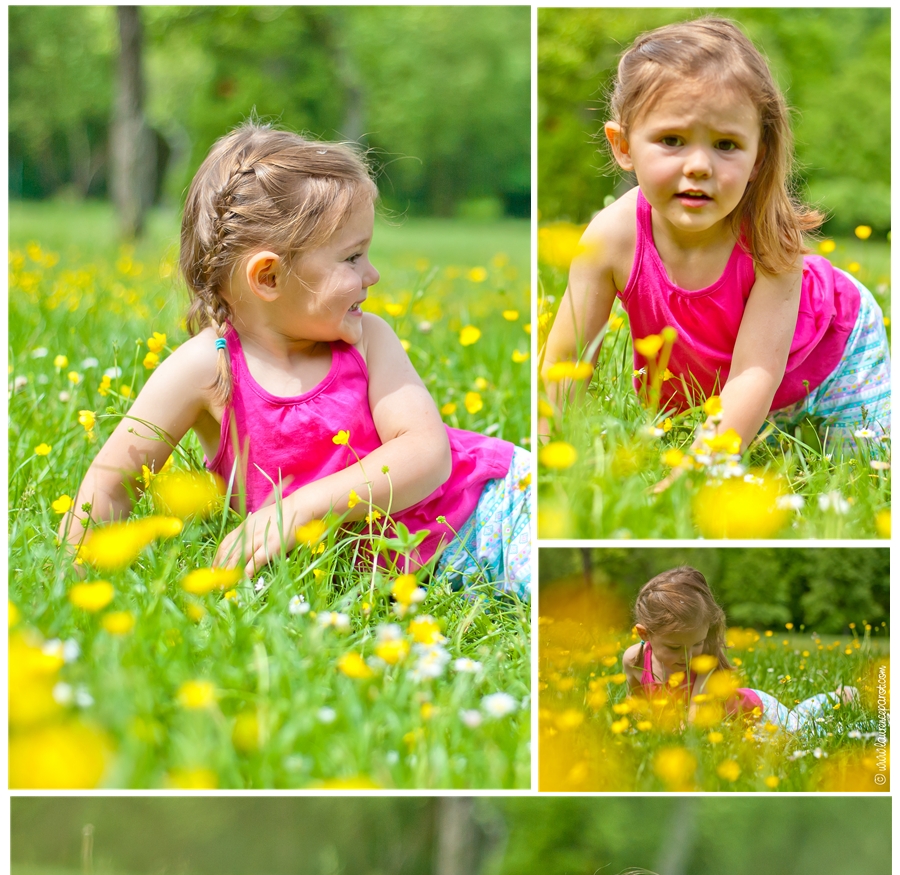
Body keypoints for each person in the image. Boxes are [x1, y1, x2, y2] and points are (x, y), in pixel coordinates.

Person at [61, 120, 530, 598]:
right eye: (352, 258)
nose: (373, 274)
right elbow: (111, 484)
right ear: (268, 277)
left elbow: (427, 454)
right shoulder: (207, 369)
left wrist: (299, 510)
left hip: (487, 512)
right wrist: (74, 587)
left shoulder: (367, 340)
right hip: (402, 580)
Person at [541, 17, 890, 452]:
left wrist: (701, 466)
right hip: (725, 394)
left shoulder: (767, 238)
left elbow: (752, 372)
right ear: (624, 146)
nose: (700, 165)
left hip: (835, 353)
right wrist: (551, 453)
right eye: (672, 139)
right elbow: (566, 363)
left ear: (758, 158)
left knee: (870, 465)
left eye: (726, 145)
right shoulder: (611, 238)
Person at [621, 567, 858, 733]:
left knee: (807, 732)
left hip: (758, 715)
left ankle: (843, 699)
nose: (687, 655)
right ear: (645, 634)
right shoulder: (635, 659)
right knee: (801, 718)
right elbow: (637, 705)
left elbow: (693, 722)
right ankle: (838, 696)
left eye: (696, 643)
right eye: (674, 647)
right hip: (735, 727)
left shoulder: (704, 661)